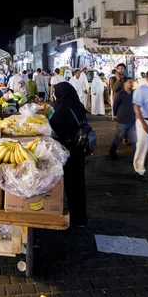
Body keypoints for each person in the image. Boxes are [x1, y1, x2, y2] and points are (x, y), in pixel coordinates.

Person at [49, 82, 87, 227]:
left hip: (69, 153)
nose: (54, 96)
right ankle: (79, 217)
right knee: (78, 185)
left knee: (72, 186)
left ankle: (76, 220)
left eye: (55, 93)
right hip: (78, 151)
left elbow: (54, 129)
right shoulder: (77, 105)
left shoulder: (62, 111)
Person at [109, 77, 136, 159]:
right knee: (119, 137)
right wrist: (115, 115)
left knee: (134, 139)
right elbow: (115, 105)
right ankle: (112, 151)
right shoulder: (120, 94)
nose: (131, 84)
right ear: (124, 83)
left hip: (132, 119)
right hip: (122, 120)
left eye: (132, 82)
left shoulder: (134, 93)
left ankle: (138, 155)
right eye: (129, 82)